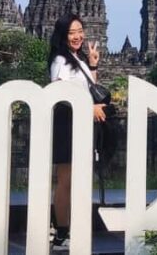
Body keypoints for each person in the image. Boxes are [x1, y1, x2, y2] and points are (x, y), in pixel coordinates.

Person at [47, 14, 107, 248]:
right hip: (66, 124)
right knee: (65, 181)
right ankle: (61, 233)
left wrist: (93, 64)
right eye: (72, 33)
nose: (78, 36)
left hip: (81, 124)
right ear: (63, 36)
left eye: (80, 31)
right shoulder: (60, 60)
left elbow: (89, 89)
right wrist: (88, 107)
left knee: (77, 181)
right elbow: (59, 93)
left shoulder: (77, 58)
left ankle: (70, 228)